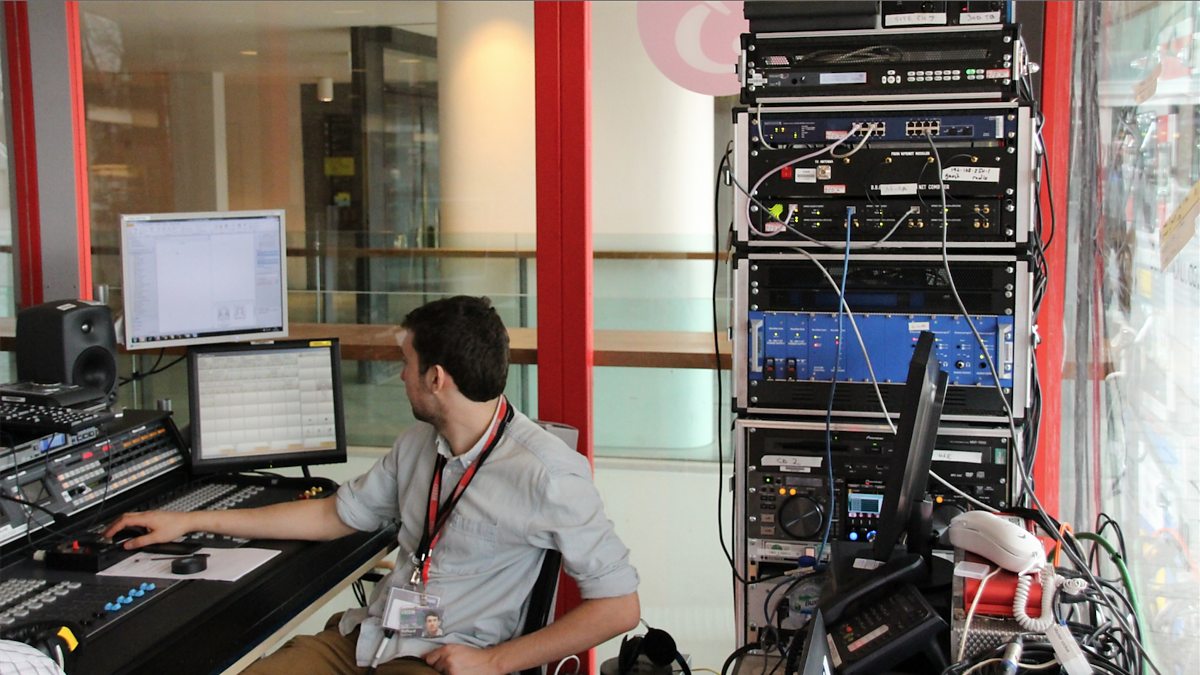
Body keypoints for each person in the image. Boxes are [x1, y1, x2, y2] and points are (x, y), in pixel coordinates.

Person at [104, 296, 640, 675]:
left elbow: (618, 607)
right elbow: (333, 514)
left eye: (404, 364)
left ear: (436, 378)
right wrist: (193, 521)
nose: (397, 376)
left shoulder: (548, 473)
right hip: (365, 640)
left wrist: (495, 663)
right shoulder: (416, 445)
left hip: (442, 658)